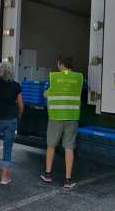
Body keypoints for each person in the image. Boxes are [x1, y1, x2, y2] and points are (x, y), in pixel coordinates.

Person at [40, 57, 83, 189]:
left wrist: (45, 92)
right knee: (69, 148)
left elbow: (46, 94)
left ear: (61, 64)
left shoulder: (54, 77)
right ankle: (68, 180)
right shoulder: (78, 78)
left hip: (56, 117)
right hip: (72, 117)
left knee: (51, 145)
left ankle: (48, 175)